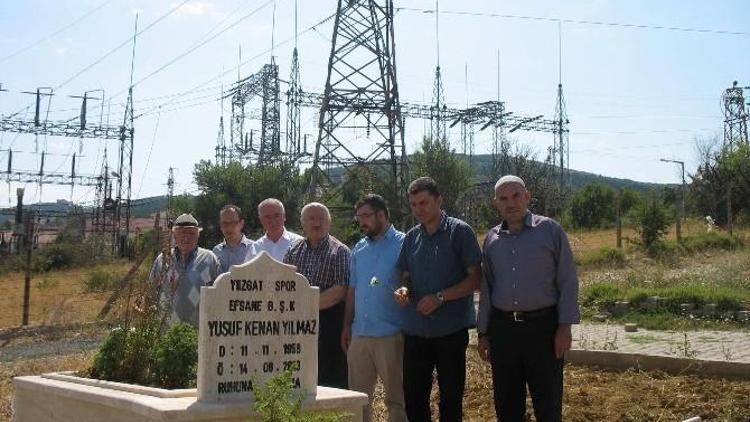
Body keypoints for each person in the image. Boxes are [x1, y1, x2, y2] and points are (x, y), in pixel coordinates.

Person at [477, 175, 580, 422]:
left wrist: (564, 327)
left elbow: (568, 280)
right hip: (504, 331)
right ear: (496, 204)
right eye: (503, 198)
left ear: (527, 197)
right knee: (507, 402)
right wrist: (483, 333)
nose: (510, 203)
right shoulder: (491, 239)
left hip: (543, 329)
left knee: (547, 401)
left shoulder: (550, 231)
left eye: (516, 196)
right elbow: (487, 288)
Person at [394, 177, 482, 422]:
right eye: (413, 204)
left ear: (439, 201)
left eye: (424, 203)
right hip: (416, 331)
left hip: (449, 331)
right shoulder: (412, 237)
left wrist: (441, 297)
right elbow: (406, 275)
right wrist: (404, 290)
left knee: (450, 401)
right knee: (414, 400)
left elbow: (476, 279)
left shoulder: (460, 232)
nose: (418, 210)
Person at [341, 194, 407, 422]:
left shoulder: (404, 242)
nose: (362, 222)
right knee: (357, 400)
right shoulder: (359, 248)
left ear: (382, 214)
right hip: (360, 333)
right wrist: (347, 325)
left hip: (391, 333)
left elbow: (411, 281)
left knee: (397, 400)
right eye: (359, 217)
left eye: (366, 216)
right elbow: (353, 289)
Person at [284, 202, 350, 389]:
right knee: (301, 379)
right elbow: (284, 283)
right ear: (303, 223)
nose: (316, 223)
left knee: (331, 380)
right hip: (297, 324)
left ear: (329, 222)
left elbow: (340, 291)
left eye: (321, 218)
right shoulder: (293, 250)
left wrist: (305, 306)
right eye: (311, 218)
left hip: (330, 323)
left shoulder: (340, 251)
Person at [149, 213, 221, 327]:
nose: (187, 237)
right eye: (182, 232)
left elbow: (219, 295)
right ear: (174, 235)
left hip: (199, 331)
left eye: (191, 233)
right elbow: (151, 291)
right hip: (166, 331)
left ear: (198, 235)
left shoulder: (209, 259)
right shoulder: (163, 259)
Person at [212, 205, 255, 272]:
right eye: (225, 223)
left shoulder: (254, 248)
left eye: (233, 223)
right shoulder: (215, 252)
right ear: (220, 226)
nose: (229, 228)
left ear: (242, 223)